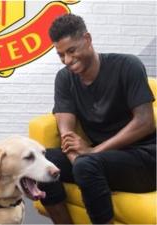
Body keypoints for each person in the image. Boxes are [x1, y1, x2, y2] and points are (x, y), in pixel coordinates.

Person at [38, 14, 156, 224]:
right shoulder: (65, 78)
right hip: (99, 160)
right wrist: (81, 158)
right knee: (42, 162)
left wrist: (92, 153)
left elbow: (145, 122)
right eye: (61, 55)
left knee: (86, 166)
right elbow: (67, 133)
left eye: (72, 50)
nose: (67, 60)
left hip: (144, 159)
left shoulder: (127, 66)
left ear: (87, 39)